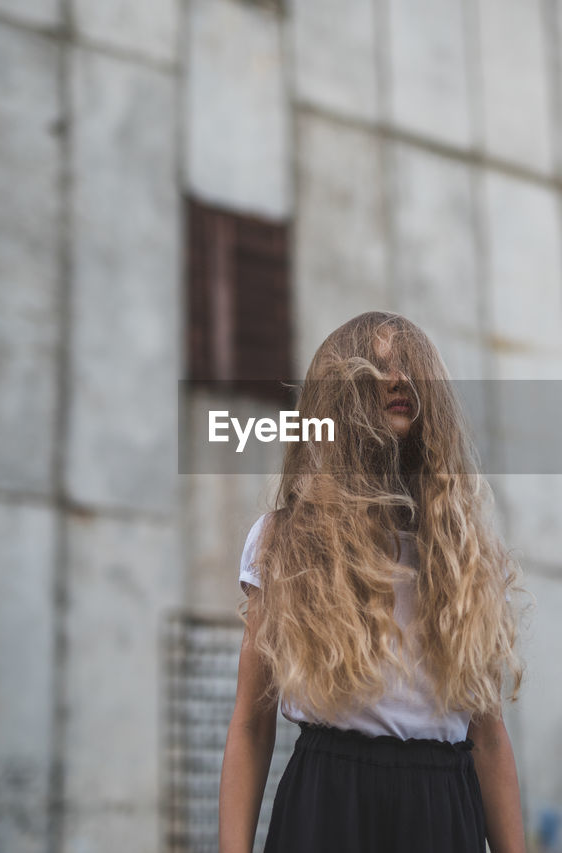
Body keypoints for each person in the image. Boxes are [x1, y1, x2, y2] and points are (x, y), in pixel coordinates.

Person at [217, 311, 529, 853]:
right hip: (327, 801)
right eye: (378, 366)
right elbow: (251, 723)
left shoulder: (466, 554)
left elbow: (489, 737)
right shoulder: (285, 540)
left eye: (411, 367)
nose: (399, 379)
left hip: (441, 809)